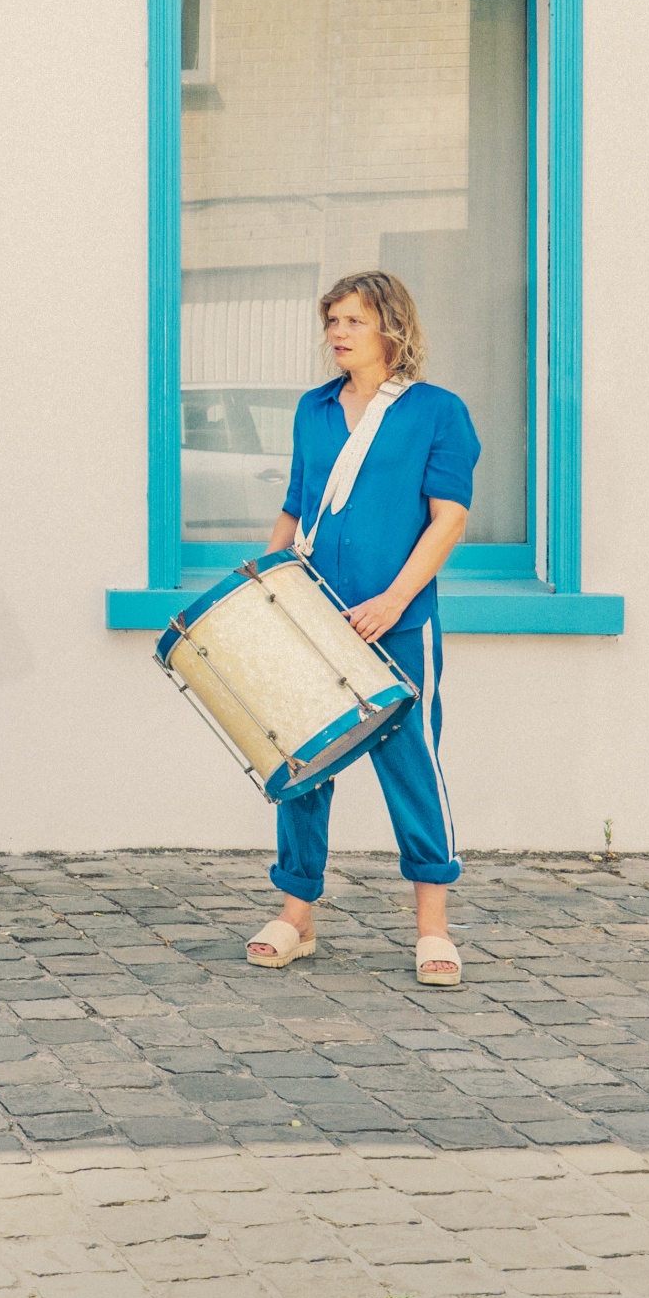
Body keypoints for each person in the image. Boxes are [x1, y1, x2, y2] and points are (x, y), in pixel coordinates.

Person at [244, 270, 478, 988]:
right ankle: (296, 916)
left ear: (391, 327)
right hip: (312, 618)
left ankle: (433, 928)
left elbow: (449, 520)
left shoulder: (437, 412)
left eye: (353, 320)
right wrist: (264, 589)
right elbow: (296, 506)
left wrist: (393, 602)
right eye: (332, 321)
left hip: (396, 624)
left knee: (413, 767)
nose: (338, 333)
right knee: (302, 768)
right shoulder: (313, 410)